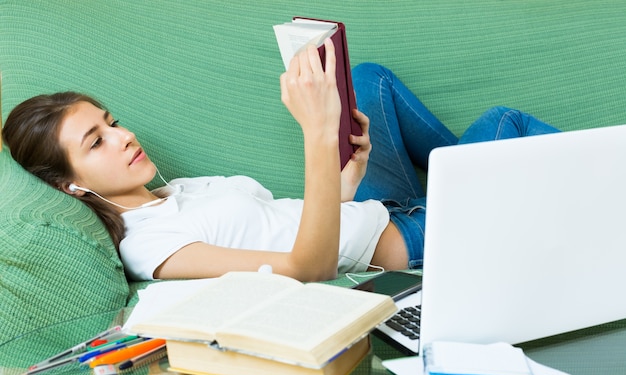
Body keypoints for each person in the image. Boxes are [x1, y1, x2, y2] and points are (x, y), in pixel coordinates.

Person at [2, 39, 560, 282]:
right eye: (95, 143)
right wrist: (317, 136)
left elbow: (293, 220)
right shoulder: (149, 245)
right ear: (70, 185)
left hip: (373, 207)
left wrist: (348, 176)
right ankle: (481, 181)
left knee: (365, 80)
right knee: (505, 126)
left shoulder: (178, 191)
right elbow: (305, 266)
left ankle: (466, 177)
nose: (122, 138)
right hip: (402, 244)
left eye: (112, 122)